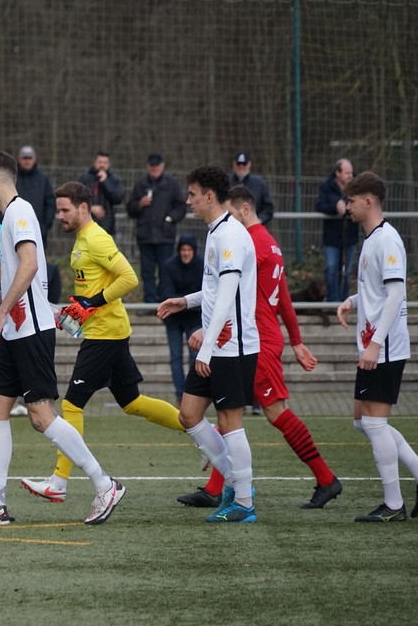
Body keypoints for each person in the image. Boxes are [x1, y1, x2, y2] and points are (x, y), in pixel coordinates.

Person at [0, 152, 125, 526]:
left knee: (40, 415)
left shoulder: (19, 212)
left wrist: (1, 312)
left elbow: (30, 265)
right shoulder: (9, 218)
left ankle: (105, 484)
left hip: (30, 330)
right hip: (15, 331)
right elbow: (4, 275)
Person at [176, 185, 342, 510]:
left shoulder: (247, 241)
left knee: (270, 412)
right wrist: (296, 341)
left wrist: (208, 330)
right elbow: (284, 299)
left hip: (254, 339)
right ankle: (217, 487)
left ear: (244, 209)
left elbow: (234, 295)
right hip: (256, 335)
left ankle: (325, 478)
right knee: (223, 413)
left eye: (229, 211)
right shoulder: (269, 243)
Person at [19, 181, 183, 503]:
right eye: (59, 210)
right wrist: (75, 310)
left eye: (65, 210)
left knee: (71, 405)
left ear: (83, 208)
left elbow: (129, 278)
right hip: (107, 330)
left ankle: (59, 481)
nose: (60, 216)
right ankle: (198, 428)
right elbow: (91, 291)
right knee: (132, 403)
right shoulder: (81, 240)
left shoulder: (96, 238)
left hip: (105, 334)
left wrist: (90, 304)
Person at [157, 165, 260, 523]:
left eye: (192, 194)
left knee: (230, 421)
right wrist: (185, 301)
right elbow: (217, 290)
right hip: (219, 344)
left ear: (210, 196)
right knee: (189, 414)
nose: (188, 201)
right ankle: (236, 482)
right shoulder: (217, 232)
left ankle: (243, 502)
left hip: (233, 347)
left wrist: (207, 346)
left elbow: (229, 296)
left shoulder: (229, 235)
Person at [336, 171, 418, 522]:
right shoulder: (372, 239)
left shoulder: (387, 240)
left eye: (352, 201)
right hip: (374, 345)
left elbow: (397, 294)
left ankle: (394, 505)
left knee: (373, 423)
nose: (347, 206)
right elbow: (379, 291)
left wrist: (375, 344)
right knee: (363, 421)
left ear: (368, 201)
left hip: (383, 348)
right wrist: (353, 301)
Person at [126, 153, 187, 303]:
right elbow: (130, 209)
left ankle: (164, 301)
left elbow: (181, 207)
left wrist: (170, 219)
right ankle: (149, 302)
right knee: (147, 272)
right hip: (145, 237)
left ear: (162, 166)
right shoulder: (140, 185)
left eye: (157, 166)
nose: (154, 169)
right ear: (148, 167)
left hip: (165, 236)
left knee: (165, 271)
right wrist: (139, 204)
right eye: (152, 166)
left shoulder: (172, 184)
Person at [158, 233, 203, 405]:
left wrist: (185, 301)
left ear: (194, 251)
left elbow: (205, 290)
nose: (186, 253)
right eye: (183, 249)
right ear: (179, 251)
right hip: (174, 319)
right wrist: (185, 301)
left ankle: (193, 394)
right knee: (176, 357)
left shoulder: (202, 265)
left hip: (194, 317)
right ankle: (180, 395)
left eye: (189, 250)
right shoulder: (168, 265)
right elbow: (165, 290)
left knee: (194, 355)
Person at [316, 158, 358, 303]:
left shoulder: (356, 187)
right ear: (338, 173)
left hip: (350, 236)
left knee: (346, 272)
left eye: (351, 172)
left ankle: (344, 302)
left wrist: (347, 206)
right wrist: (335, 207)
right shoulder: (326, 187)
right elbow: (320, 205)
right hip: (332, 237)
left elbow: (360, 204)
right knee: (331, 269)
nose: (350, 175)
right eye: (347, 173)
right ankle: (332, 303)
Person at [15, 146, 56, 249]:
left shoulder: (43, 180)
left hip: (38, 233)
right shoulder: (12, 179)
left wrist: (44, 227)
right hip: (14, 231)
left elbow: (50, 204)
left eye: (30, 158)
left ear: (34, 159)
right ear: (19, 159)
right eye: (24, 158)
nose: (27, 161)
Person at [75, 151, 124, 237]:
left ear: (109, 164)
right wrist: (90, 208)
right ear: (95, 162)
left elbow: (118, 198)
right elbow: (76, 197)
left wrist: (105, 182)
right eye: (100, 162)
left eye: (105, 163)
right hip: (86, 224)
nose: (102, 165)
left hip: (106, 226)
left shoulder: (114, 180)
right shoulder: (84, 178)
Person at [229, 151, 274, 226]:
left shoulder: (259, 183)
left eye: (244, 164)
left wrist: (258, 220)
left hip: (253, 227)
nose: (241, 167)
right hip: (230, 227)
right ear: (233, 164)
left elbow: (268, 208)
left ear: (249, 164)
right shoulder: (226, 182)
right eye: (238, 164)